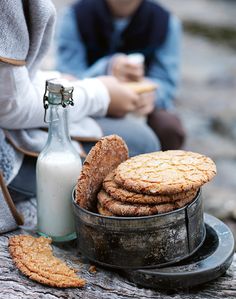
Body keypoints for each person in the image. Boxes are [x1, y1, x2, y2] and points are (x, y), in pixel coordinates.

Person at [0, 0, 159, 201]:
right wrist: (102, 94)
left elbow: (12, 80)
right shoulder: (77, 15)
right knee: (142, 141)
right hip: (7, 161)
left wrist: (62, 80)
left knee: (165, 126)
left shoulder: (163, 21)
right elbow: (10, 105)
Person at [55, 0, 186, 151]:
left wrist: (151, 95)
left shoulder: (166, 22)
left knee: (170, 128)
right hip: (90, 105)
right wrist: (108, 68)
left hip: (141, 109)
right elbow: (67, 82)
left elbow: (167, 84)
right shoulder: (75, 16)